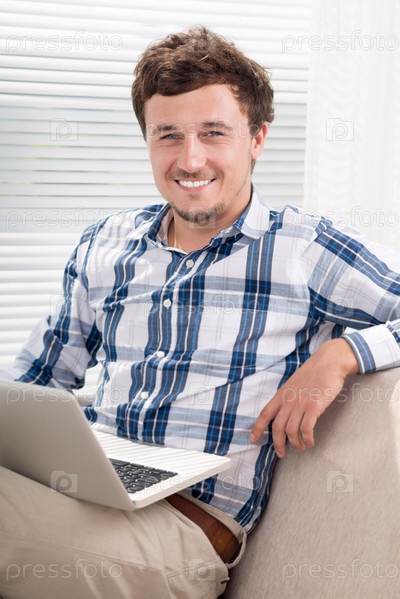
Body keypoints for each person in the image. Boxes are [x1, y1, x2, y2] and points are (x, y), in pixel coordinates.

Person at [1, 25, 400, 599]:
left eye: (214, 133)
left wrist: (343, 352)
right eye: (169, 135)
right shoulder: (105, 243)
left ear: (257, 138)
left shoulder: (303, 247)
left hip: (184, 533)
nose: (191, 159)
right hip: (84, 492)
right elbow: (38, 380)